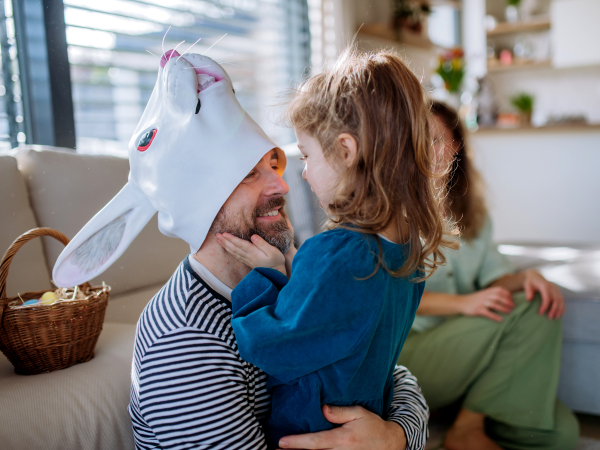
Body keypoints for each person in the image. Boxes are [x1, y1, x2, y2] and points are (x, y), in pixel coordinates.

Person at [216, 49, 457, 448]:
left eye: (307, 155)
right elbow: (340, 326)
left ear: (346, 151)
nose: (302, 173)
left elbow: (269, 346)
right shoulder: (407, 251)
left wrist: (267, 277)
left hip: (315, 430)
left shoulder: (336, 254)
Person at [129, 146, 431, 450]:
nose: (282, 184)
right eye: (249, 173)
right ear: (198, 199)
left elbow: (382, 370)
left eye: (274, 167)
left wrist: (396, 437)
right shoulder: (185, 343)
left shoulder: (298, 270)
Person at [398, 101, 579, 450]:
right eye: (416, 140)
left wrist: (529, 279)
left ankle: (469, 413)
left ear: (455, 147)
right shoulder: (393, 211)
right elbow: (393, 295)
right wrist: (465, 303)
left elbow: (495, 278)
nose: (425, 151)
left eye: (435, 139)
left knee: (562, 435)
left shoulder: (472, 213)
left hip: (471, 355)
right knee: (528, 310)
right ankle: (466, 429)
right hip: (414, 356)